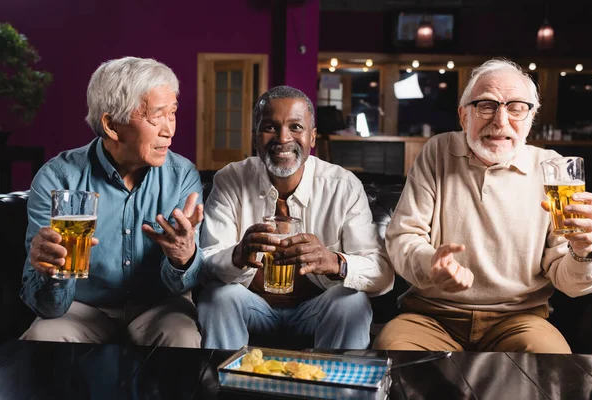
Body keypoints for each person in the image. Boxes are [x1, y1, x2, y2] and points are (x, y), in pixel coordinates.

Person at [374, 58, 592, 353]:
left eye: (516, 108)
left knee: (553, 365)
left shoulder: (553, 168)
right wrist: (432, 264)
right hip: (431, 317)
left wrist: (584, 251)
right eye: (487, 106)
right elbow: (403, 237)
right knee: (391, 353)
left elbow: (571, 284)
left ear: (531, 118)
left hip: (519, 319)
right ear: (463, 116)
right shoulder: (437, 152)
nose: (501, 121)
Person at [20, 57, 204, 348]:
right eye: (156, 116)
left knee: (182, 336)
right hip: (82, 308)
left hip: (157, 307)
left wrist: (184, 258)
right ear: (112, 125)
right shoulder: (58, 178)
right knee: (44, 337)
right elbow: (47, 307)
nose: (169, 129)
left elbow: (184, 286)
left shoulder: (182, 177)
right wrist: (52, 271)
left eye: (172, 113)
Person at [196, 85, 394, 349]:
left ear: (312, 137)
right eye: (270, 127)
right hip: (253, 306)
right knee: (217, 297)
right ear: (255, 137)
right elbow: (207, 260)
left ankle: (336, 388)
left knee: (353, 301)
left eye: (296, 127)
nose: (283, 138)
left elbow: (382, 273)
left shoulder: (343, 186)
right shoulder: (230, 179)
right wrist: (238, 255)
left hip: (316, 310)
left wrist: (335, 262)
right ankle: (222, 384)